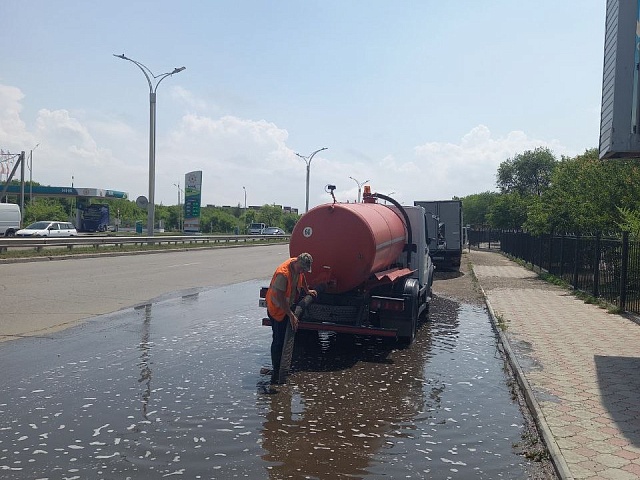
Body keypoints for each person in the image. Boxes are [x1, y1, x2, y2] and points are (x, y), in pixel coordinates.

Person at [265, 253, 316, 384]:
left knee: (284, 337)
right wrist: (291, 315)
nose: (302, 271)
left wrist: (307, 290)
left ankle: (282, 365)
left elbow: (302, 276)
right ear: (297, 262)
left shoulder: (297, 267)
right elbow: (280, 298)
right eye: (302, 268)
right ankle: (277, 370)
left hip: (285, 308)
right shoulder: (283, 274)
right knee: (278, 340)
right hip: (276, 309)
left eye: (305, 270)